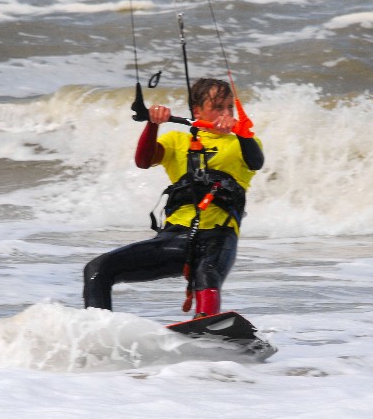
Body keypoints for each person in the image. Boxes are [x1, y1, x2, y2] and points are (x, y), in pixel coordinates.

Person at [83, 78, 264, 318]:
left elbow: (256, 162)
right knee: (97, 268)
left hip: (218, 238)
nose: (226, 113)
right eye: (218, 107)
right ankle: (98, 331)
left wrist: (241, 132)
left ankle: (206, 329)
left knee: (206, 273)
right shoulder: (177, 141)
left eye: (230, 107)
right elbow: (143, 160)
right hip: (175, 237)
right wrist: (153, 124)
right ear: (197, 111)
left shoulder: (242, 143)